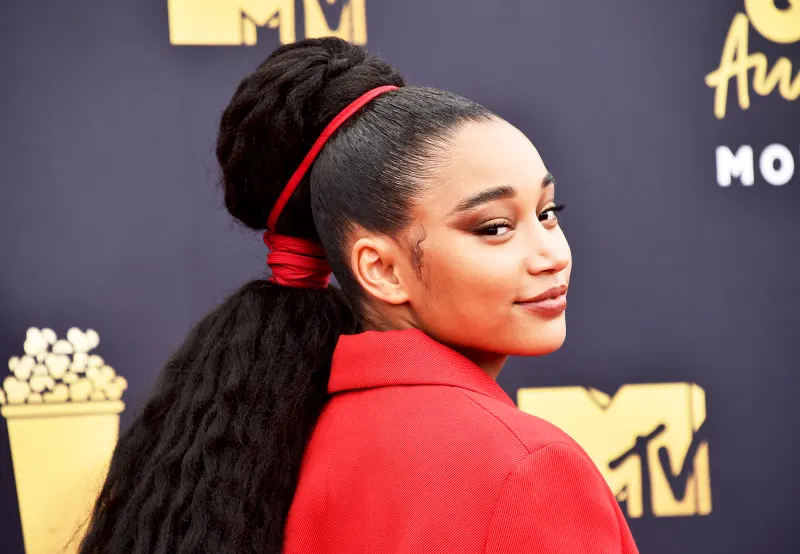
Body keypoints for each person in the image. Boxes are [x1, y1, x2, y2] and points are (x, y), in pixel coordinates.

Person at [77, 37, 638, 554]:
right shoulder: (529, 468)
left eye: (547, 213)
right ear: (382, 270)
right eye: (494, 227)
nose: (552, 254)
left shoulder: (271, 442)